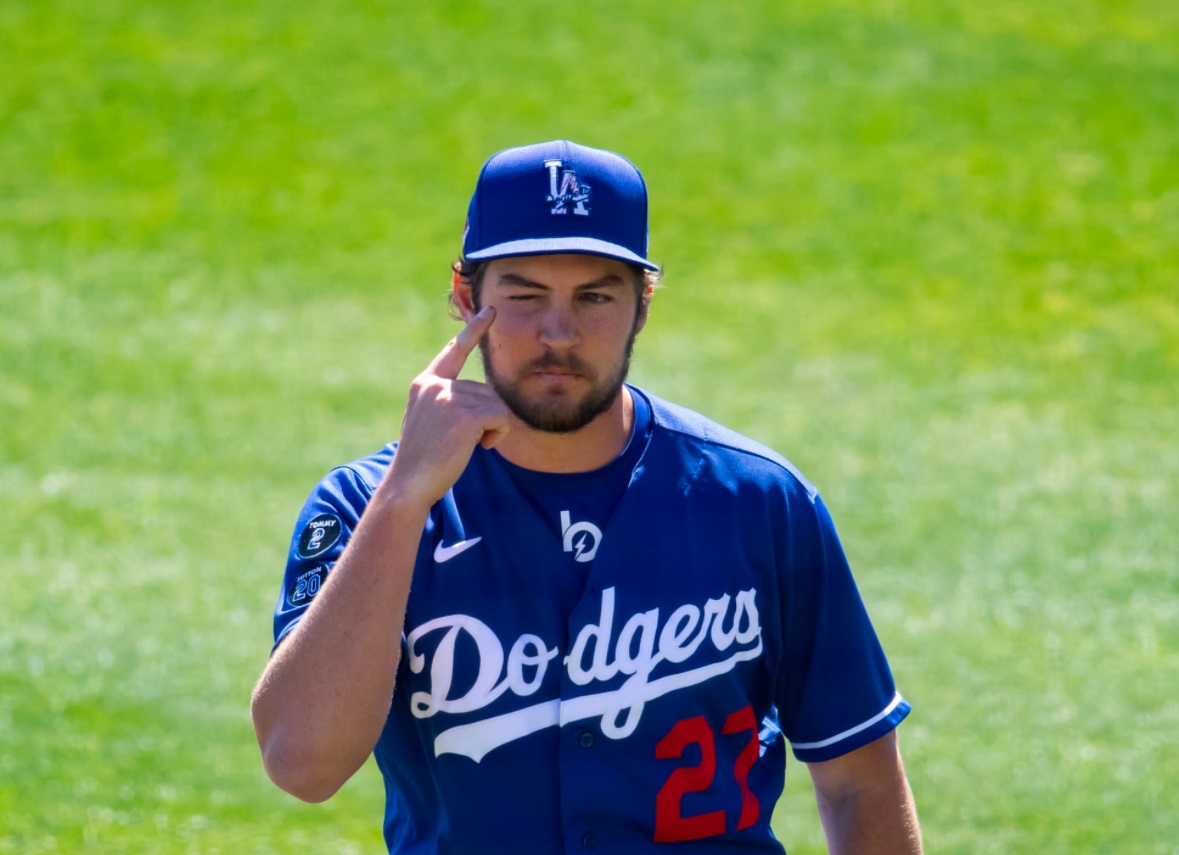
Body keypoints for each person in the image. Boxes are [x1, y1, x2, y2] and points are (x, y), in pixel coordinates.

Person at [251, 140, 923, 854]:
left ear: (643, 302)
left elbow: (859, 783)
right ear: (463, 295)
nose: (558, 333)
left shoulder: (758, 502)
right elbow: (303, 765)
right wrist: (403, 500)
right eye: (523, 295)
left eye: (595, 296)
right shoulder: (365, 505)